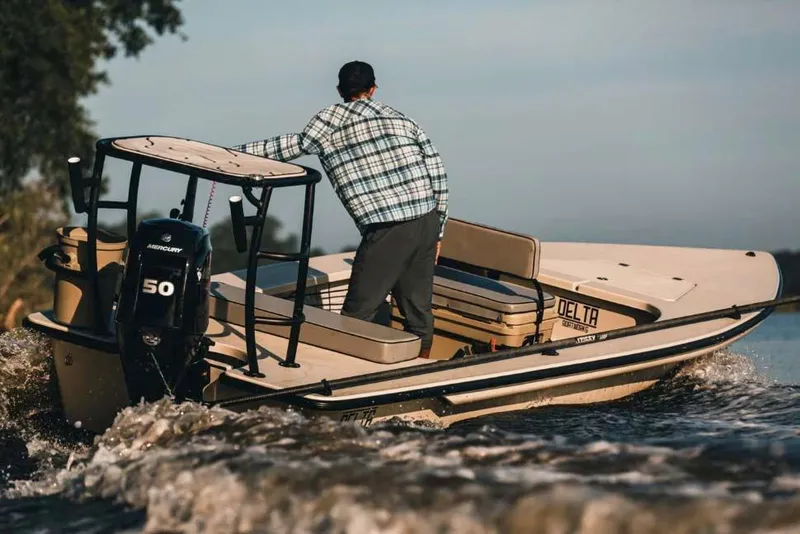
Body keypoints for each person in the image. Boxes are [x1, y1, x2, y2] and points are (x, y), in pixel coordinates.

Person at [232, 60, 449, 359]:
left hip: (388, 227)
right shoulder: (400, 119)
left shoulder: (329, 120)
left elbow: (288, 147)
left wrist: (232, 154)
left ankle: (348, 372)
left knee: (357, 313)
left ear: (339, 90)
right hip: (426, 219)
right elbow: (437, 173)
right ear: (373, 89)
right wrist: (438, 231)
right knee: (417, 308)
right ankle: (421, 371)